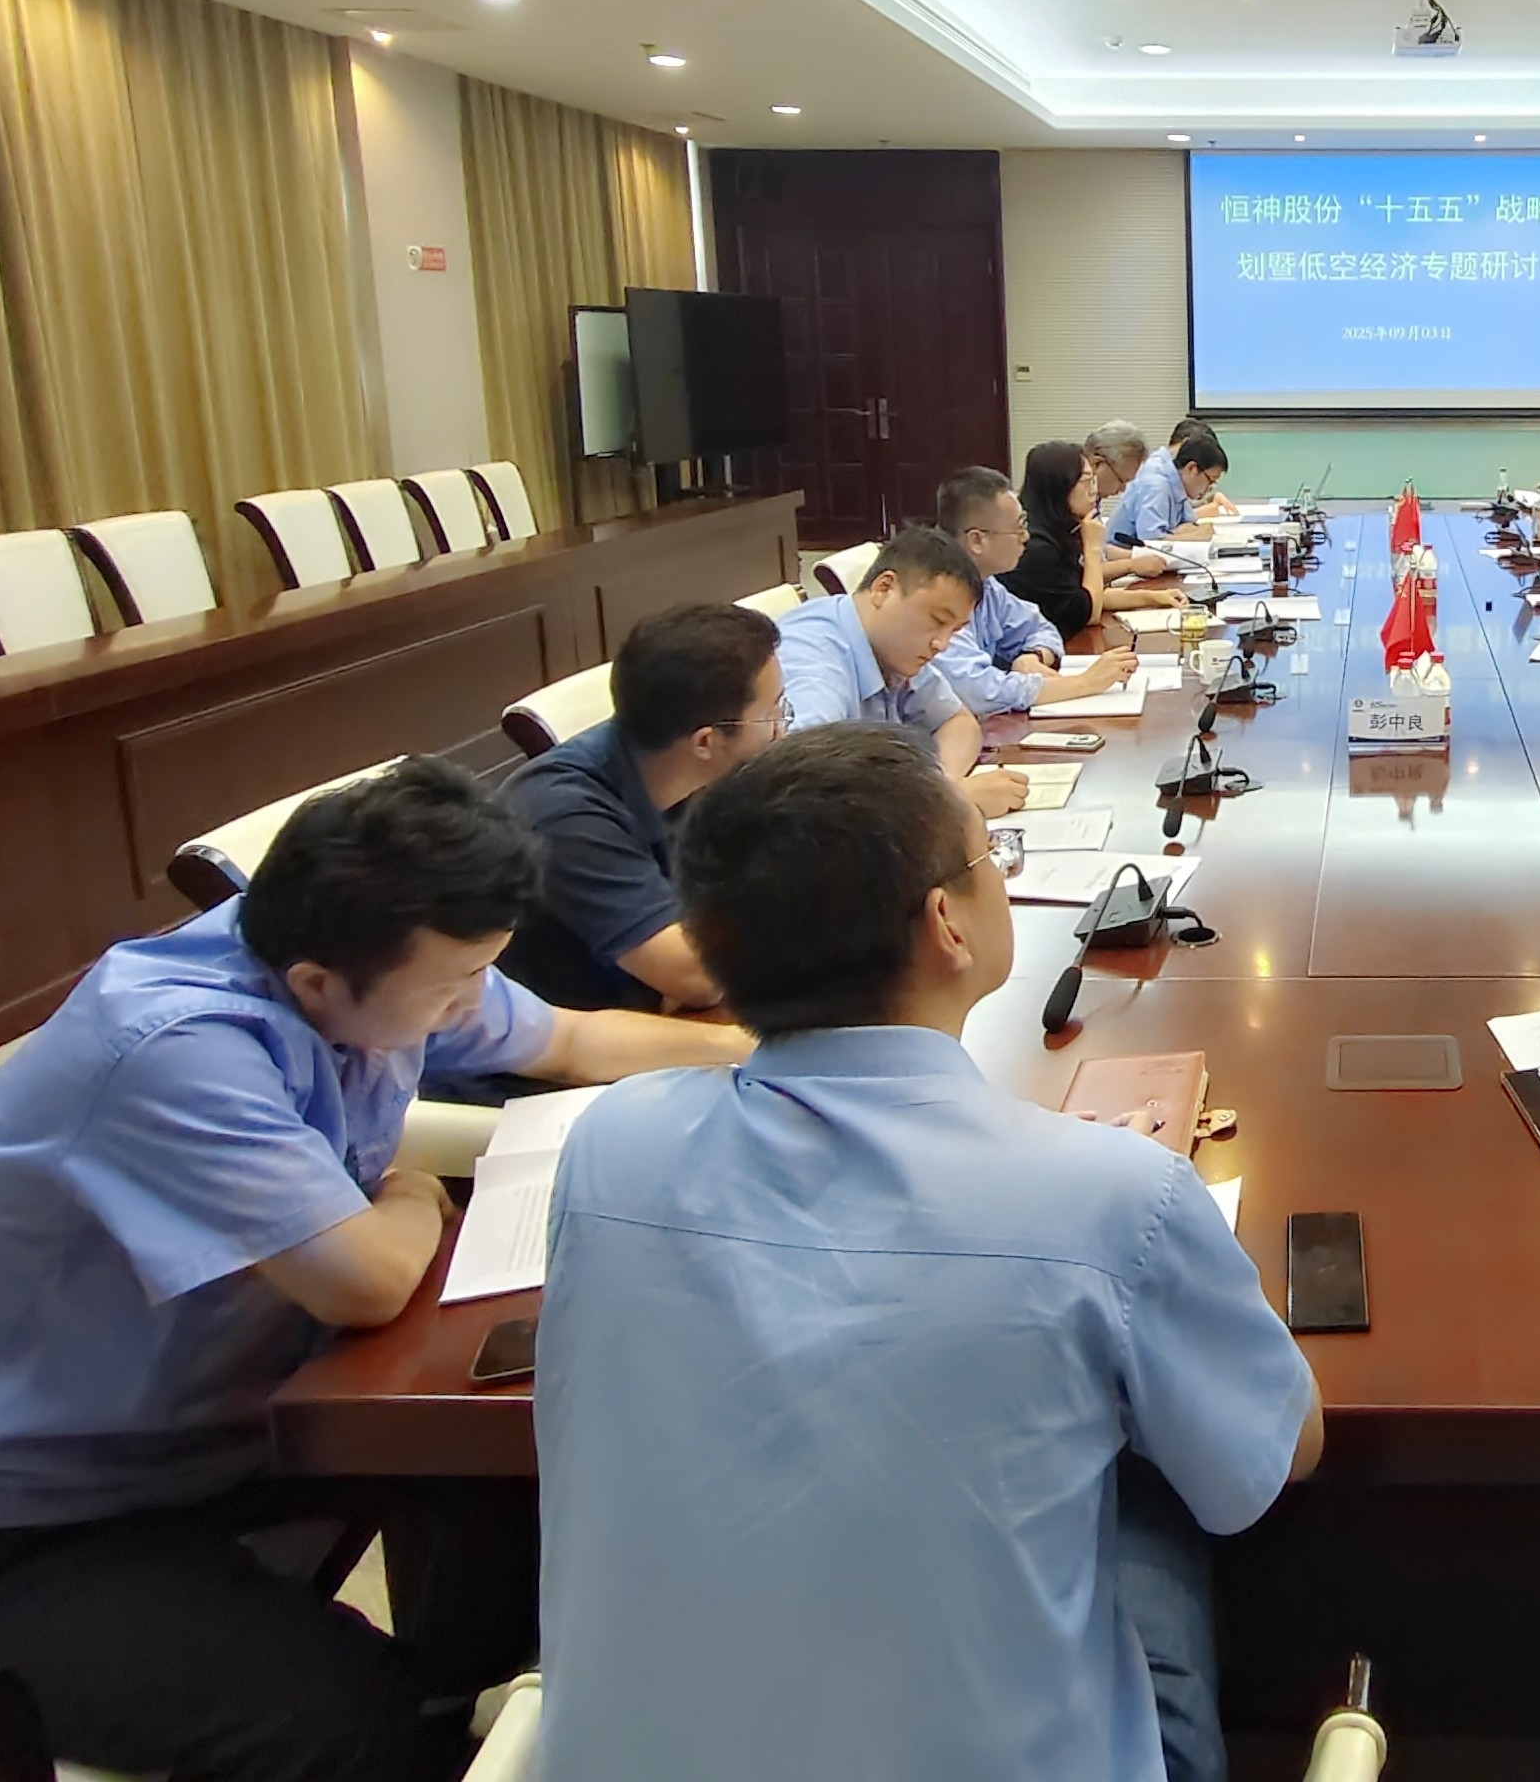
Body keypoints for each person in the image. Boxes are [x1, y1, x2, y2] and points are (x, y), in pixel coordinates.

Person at [0, 759, 754, 1782]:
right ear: (315, 985)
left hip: (191, 1439)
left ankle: (475, 1705)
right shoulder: (172, 1046)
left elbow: (575, 1039)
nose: (471, 1005)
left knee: (531, 1474)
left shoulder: (386, 947)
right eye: (453, 987)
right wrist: (409, 1195)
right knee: (345, 1721)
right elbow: (364, 1282)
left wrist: (763, 1051)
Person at [535, 724, 1322, 1782]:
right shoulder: (1114, 1198)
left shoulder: (609, 1145)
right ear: (947, 923)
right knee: (1153, 1500)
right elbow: (1270, 1462)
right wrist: (1111, 1209)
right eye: (990, 855)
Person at [501, 601, 789, 1016]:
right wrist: (694, 961)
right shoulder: (563, 813)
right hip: (557, 1044)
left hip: (650, 1014)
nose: (782, 729)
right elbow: (698, 976)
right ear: (706, 742)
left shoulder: (693, 770)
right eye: (772, 714)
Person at [774, 526, 1028, 817]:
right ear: (884, 588)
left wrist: (942, 788)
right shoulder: (815, 660)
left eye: (954, 630)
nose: (942, 644)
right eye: (937, 620)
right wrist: (944, 802)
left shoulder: (892, 645)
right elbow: (805, 793)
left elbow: (958, 722)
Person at [932, 466, 1139, 715]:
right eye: (1018, 528)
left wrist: (1033, 656)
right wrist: (1086, 683)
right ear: (977, 540)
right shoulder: (938, 596)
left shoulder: (987, 585)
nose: (1026, 537)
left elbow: (1040, 626)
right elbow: (980, 692)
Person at [1002, 440, 1188, 639]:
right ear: (1059, 486)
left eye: (1093, 480)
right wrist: (1092, 548)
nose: (1093, 490)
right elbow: (1088, 612)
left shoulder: (1059, 529)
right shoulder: (1035, 546)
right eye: (1086, 481)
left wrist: (1153, 598)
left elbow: (1086, 594)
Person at [1108, 431, 1230, 550]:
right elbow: (1151, 544)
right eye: (1211, 480)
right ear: (1192, 468)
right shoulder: (1157, 486)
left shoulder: (1178, 485)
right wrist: (1195, 537)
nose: (1210, 488)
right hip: (1117, 557)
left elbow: (1188, 524)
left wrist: (1175, 534)